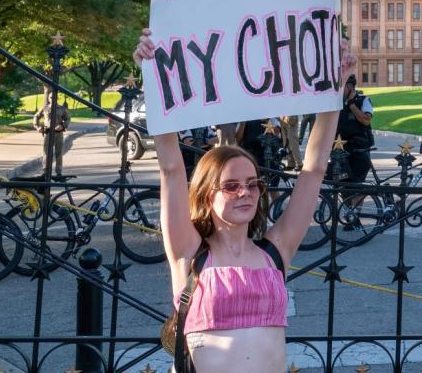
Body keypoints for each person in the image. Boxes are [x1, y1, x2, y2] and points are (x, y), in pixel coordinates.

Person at [134, 28, 349, 373]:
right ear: (206, 194)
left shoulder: (275, 252)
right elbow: (172, 169)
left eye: (252, 184)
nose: (245, 192)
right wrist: (152, 74)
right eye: (231, 186)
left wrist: (333, 89)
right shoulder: (189, 253)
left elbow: (313, 169)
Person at [338, 74, 376, 182]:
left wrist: (351, 104)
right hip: (340, 154)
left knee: (356, 189)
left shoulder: (363, 100)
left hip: (359, 153)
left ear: (350, 87)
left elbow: (366, 120)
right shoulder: (337, 103)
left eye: (341, 86)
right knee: (342, 187)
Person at [34, 85, 71, 180]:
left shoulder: (62, 109)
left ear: (57, 98)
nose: (52, 99)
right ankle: (46, 172)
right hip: (48, 133)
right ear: (49, 98)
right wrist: (37, 127)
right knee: (46, 153)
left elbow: (68, 119)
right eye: (51, 97)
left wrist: (63, 126)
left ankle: (59, 172)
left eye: (54, 97)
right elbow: (36, 117)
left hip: (58, 133)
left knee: (59, 153)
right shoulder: (45, 108)